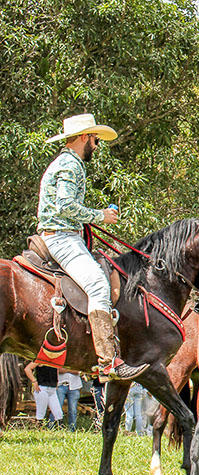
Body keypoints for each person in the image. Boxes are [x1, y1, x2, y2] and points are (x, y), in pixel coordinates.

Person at [39, 113, 148, 381]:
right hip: (62, 238)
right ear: (85, 137)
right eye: (95, 139)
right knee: (99, 285)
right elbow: (65, 205)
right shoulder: (70, 165)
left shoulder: (68, 162)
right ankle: (107, 363)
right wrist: (101, 215)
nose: (97, 146)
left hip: (66, 234)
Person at [24, 362, 62, 427]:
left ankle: (59, 430)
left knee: (58, 413)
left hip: (52, 389)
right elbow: (27, 369)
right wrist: (34, 381)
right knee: (41, 412)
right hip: (42, 388)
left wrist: (57, 381)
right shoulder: (41, 360)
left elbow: (57, 370)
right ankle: (39, 429)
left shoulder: (55, 360)